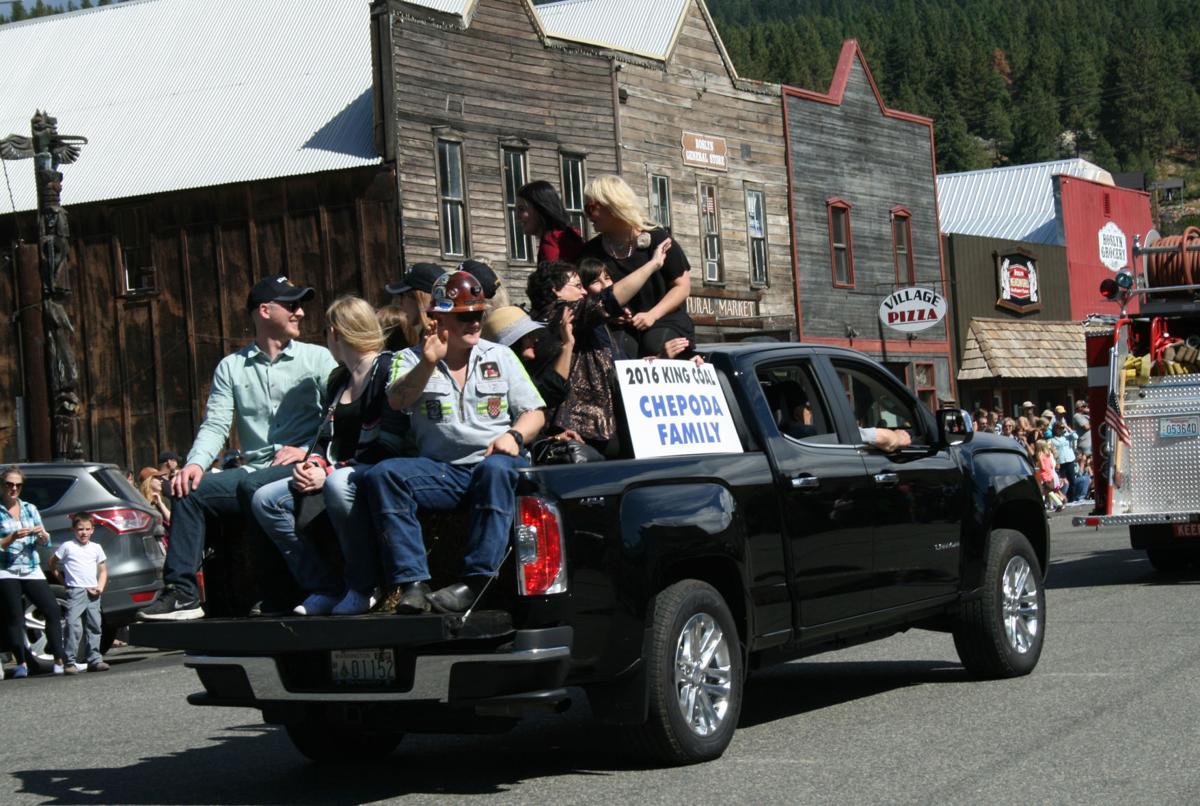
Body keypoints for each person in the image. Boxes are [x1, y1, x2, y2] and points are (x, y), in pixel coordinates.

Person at [138, 276, 338, 622]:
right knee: (187, 491)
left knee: (251, 487)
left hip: (301, 466)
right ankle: (182, 593)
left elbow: (337, 418)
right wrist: (195, 465)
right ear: (265, 310)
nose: (301, 313)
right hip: (254, 468)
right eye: (292, 306)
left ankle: (277, 592)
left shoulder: (319, 359)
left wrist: (307, 450)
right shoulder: (231, 367)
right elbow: (216, 424)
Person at [361, 271, 546, 615]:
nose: (475, 322)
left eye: (478, 314)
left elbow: (535, 413)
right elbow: (397, 400)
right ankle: (413, 583)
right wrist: (429, 362)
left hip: (496, 463)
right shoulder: (409, 359)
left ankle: (475, 582)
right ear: (438, 317)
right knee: (384, 475)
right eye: (465, 316)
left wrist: (515, 435)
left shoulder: (500, 356)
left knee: (495, 469)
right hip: (443, 470)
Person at [252, 296, 413, 616]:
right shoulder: (339, 379)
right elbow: (326, 438)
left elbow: (392, 441)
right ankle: (323, 586)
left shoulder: (389, 367)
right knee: (265, 499)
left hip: (375, 469)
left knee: (339, 483)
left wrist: (331, 471)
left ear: (337, 333)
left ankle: (363, 585)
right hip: (337, 469)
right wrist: (313, 463)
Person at [526, 245, 672, 446]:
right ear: (555, 291)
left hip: (606, 421)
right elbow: (608, 300)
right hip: (583, 425)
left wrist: (656, 361)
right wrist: (652, 265)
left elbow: (610, 364)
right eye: (578, 286)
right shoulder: (559, 314)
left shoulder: (584, 322)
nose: (584, 292)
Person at [580, 174, 695, 358]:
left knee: (654, 344)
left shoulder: (657, 238)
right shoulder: (591, 252)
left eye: (590, 208)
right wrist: (608, 315)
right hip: (622, 326)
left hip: (664, 319)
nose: (587, 215)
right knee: (618, 352)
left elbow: (682, 286)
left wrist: (652, 315)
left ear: (612, 205)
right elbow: (586, 298)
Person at [0, 466, 65, 677]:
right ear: (2, 485)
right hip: (6, 569)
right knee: (15, 618)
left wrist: (43, 537)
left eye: (18, 485)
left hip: (30, 568)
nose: (14, 489)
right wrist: (12, 538)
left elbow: (45, 542)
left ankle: (59, 659)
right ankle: (21, 663)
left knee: (52, 610)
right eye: (9, 484)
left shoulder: (29, 508)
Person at [48, 514, 109, 674]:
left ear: (92, 530)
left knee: (94, 625)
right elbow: (52, 562)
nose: (84, 532)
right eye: (80, 529)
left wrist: (100, 587)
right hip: (76, 590)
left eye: (87, 529)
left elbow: (102, 570)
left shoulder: (96, 547)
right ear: (73, 530)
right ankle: (70, 662)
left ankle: (95, 659)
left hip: (93, 590)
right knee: (73, 626)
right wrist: (64, 582)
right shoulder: (68, 546)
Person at [517, 180, 585, 264]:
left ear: (540, 208)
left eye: (521, 209)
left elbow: (552, 276)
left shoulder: (552, 240)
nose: (517, 216)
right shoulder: (566, 236)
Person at [1050, 421, 1078, 501]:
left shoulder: (1066, 436)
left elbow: (1076, 436)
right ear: (1055, 429)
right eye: (1059, 428)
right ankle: (1063, 498)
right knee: (1062, 482)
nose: (1061, 430)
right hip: (1060, 462)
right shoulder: (1052, 440)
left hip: (1070, 460)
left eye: (1062, 428)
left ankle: (1072, 499)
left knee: (1072, 480)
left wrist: (1067, 427)